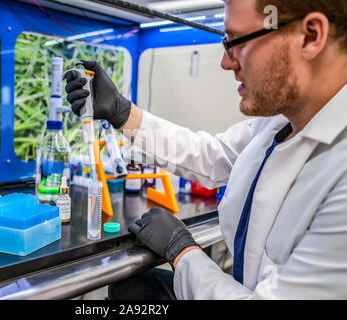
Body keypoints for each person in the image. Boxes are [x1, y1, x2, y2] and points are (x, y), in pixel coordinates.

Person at [64, 0, 347, 299]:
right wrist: (122, 112)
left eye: (237, 41)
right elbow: (211, 155)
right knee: (131, 288)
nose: (227, 62)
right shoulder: (280, 122)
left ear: (310, 36)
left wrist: (183, 252)